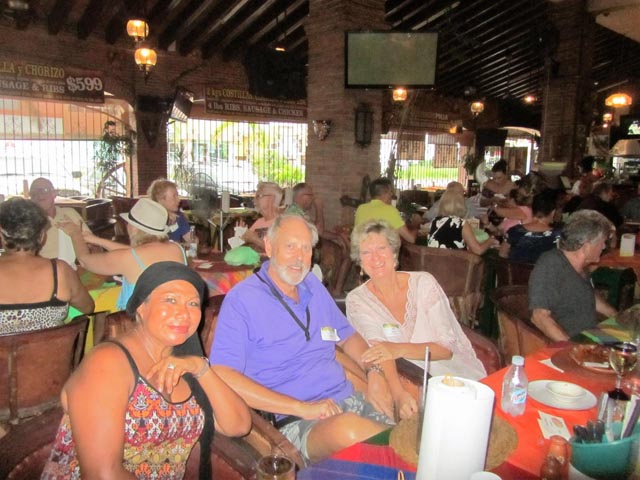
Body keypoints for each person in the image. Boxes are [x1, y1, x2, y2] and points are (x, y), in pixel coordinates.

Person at [210, 214, 416, 463]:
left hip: (350, 401)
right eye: (290, 246)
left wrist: (374, 373)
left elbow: (348, 337)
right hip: (295, 421)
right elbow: (222, 373)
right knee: (359, 433)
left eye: (306, 248)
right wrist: (301, 408)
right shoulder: (242, 300)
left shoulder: (312, 285)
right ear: (269, 247)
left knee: (410, 433)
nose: (299, 257)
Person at [41, 262, 251, 479]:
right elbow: (102, 474)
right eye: (170, 300)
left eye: (192, 303)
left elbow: (238, 426)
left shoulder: (185, 363)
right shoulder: (107, 363)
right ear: (141, 307)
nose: (183, 313)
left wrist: (201, 368)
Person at [346, 220, 486, 380]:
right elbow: (377, 351)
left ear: (394, 252)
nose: (375, 257)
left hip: (448, 375)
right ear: (360, 261)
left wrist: (397, 349)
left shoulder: (423, 283)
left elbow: (445, 350)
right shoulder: (357, 300)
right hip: (401, 377)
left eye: (381, 248)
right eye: (366, 252)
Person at [60, 198, 187, 310]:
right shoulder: (176, 248)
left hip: (140, 324)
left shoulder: (130, 257)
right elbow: (134, 252)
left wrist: (75, 234)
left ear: (134, 228)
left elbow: (84, 260)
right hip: (173, 315)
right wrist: (96, 240)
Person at [0, 198, 94, 334]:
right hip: (54, 348)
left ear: (1, 235)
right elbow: (88, 307)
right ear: (42, 236)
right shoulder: (59, 271)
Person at [529, 210, 617, 341]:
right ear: (586, 246)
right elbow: (539, 317)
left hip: (592, 336)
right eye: (602, 242)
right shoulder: (551, 263)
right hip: (571, 343)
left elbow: (586, 295)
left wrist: (617, 317)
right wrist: (573, 348)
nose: (604, 246)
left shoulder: (579, 266)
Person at [29, 177, 89, 268]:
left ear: (54, 193)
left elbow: (92, 243)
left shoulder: (69, 213)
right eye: (34, 192)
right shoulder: (28, 221)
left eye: (44, 190)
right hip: (42, 268)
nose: (39, 194)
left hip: (75, 266)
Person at [427, 190, 498, 254]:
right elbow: (478, 250)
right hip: (453, 262)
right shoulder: (461, 223)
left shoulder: (435, 221)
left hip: (434, 262)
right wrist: (490, 240)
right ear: (460, 205)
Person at [500, 190, 561, 264]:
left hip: (517, 271)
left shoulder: (514, 231)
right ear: (552, 212)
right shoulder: (558, 236)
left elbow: (502, 254)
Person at [355, 177, 416, 243]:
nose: (392, 194)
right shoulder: (391, 210)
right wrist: (416, 225)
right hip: (381, 249)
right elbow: (411, 239)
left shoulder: (360, 208)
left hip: (362, 248)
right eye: (390, 191)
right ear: (384, 193)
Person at [240, 181, 283, 252]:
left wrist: (255, 240)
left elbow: (279, 251)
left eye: (258, 196)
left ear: (271, 198)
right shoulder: (259, 222)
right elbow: (245, 245)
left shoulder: (284, 222)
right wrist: (242, 235)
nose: (254, 200)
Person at [148, 178, 191, 243]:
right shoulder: (148, 219)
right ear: (160, 199)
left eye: (177, 195)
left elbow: (191, 239)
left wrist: (193, 240)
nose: (179, 200)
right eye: (174, 196)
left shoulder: (179, 216)